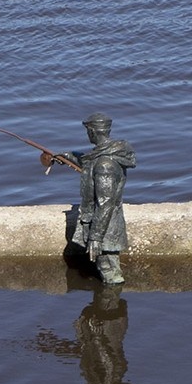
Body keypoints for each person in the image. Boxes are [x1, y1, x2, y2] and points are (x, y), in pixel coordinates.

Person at [65, 113, 136, 285]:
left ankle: (110, 306)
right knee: (110, 270)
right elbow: (90, 161)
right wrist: (68, 156)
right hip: (107, 224)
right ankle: (113, 306)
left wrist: (96, 237)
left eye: (87, 131)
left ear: (92, 131)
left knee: (109, 273)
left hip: (104, 227)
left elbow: (105, 204)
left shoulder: (105, 165)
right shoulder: (108, 153)